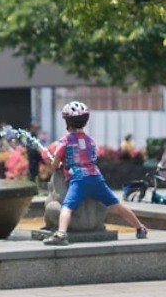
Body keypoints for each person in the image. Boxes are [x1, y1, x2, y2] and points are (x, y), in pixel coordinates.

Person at [42, 101, 148, 246]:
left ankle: (61, 234)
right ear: (85, 122)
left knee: (67, 207)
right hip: (96, 178)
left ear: (67, 122)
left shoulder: (65, 141)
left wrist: (57, 165)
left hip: (79, 180)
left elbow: (56, 162)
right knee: (116, 205)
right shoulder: (90, 141)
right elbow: (92, 158)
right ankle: (140, 228)